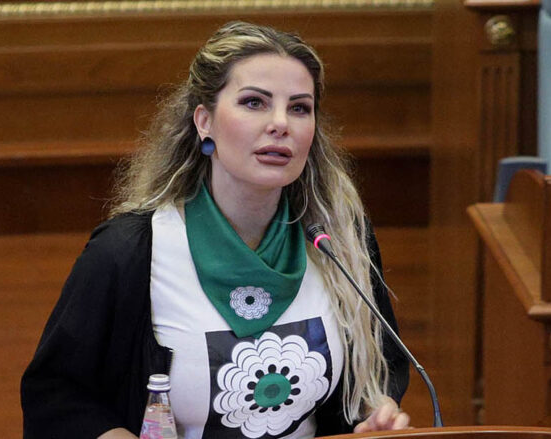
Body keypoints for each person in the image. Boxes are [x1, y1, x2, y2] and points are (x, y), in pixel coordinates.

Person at [21, 21, 410, 439]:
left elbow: (377, 370)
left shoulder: (339, 242)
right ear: (204, 121)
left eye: (300, 108)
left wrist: (372, 414)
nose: (281, 123)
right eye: (254, 102)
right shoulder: (129, 251)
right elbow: (56, 395)